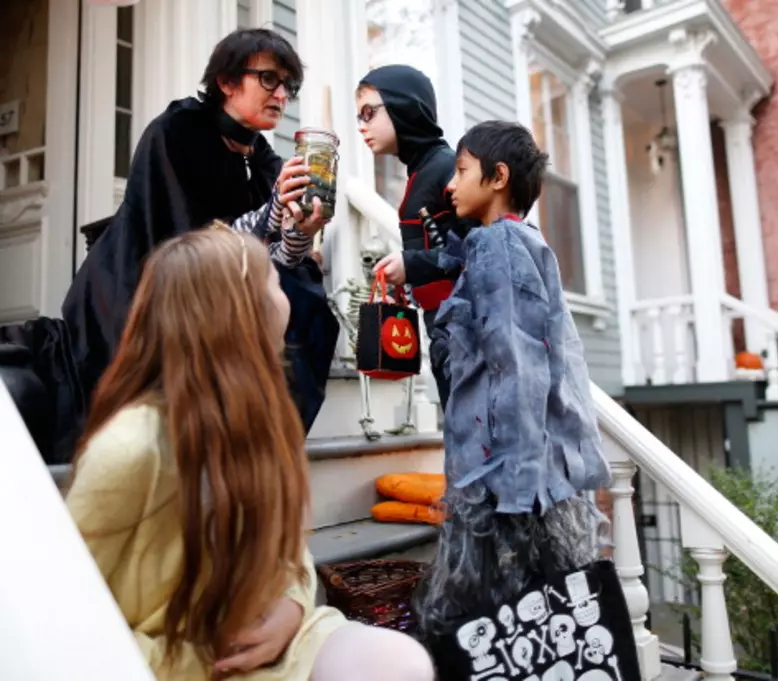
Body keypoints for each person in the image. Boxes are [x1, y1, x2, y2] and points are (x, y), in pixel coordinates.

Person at [66, 226, 434, 681]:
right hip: (172, 663)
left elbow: (289, 555)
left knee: (402, 664)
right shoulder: (130, 448)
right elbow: (68, 611)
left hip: (273, 638)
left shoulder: (262, 419)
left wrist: (292, 610)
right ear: (237, 313)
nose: (287, 295)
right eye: (275, 283)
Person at [0, 29, 340, 462]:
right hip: (140, 292)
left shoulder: (265, 161)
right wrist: (272, 215)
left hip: (222, 302)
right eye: (269, 79)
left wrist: (297, 232)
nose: (281, 95)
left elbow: (266, 262)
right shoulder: (176, 131)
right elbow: (187, 248)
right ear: (227, 81)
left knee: (307, 298)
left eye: (289, 86)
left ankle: (259, 448)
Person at [413, 121, 610, 636]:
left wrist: (513, 495)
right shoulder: (515, 241)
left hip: (500, 483)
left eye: (460, 171)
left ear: (497, 176)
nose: (450, 186)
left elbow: (518, 363)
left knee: (494, 627)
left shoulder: (497, 244)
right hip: (507, 474)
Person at [355, 65, 470, 409]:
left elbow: (475, 249)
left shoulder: (447, 168)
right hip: (442, 324)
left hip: (465, 328)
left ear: (405, 106)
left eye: (368, 112)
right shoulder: (421, 171)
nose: (362, 125)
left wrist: (412, 264)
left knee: (472, 428)